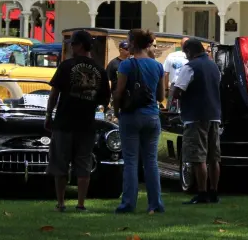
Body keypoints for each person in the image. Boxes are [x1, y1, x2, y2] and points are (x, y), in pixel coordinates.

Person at [45, 30, 110, 212]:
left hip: (64, 122)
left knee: (60, 162)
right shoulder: (100, 70)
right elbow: (104, 100)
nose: (70, 47)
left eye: (72, 43)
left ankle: (61, 202)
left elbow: (54, 94)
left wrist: (48, 115)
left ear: (80, 45)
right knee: (84, 164)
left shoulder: (66, 66)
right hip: (87, 124)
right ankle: (81, 204)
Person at [113, 29, 165, 214]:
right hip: (152, 115)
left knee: (131, 161)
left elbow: (119, 92)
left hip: (131, 115)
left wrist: (117, 111)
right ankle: (155, 204)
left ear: (133, 43)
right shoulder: (157, 66)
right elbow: (160, 96)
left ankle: (128, 204)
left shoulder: (126, 65)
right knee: (151, 162)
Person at [172, 38, 222, 205]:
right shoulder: (214, 66)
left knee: (198, 156)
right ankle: (214, 192)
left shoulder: (190, 67)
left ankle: (202, 193)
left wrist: (173, 89)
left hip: (195, 116)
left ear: (190, 52)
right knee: (214, 156)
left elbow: (178, 91)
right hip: (214, 115)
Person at [164, 41, 189, 109]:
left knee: (170, 109)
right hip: (187, 86)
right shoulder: (192, 56)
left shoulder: (171, 55)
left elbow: (166, 74)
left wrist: (166, 89)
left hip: (174, 86)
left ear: (181, 45)